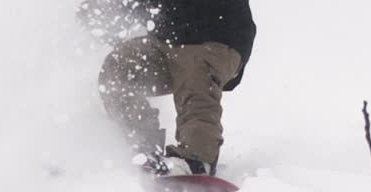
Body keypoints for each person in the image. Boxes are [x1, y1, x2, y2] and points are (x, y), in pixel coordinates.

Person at [77, 0, 255, 177]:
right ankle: (144, 146)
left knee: (195, 81)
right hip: (168, 40)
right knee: (119, 66)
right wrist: (108, 11)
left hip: (216, 38)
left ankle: (197, 159)